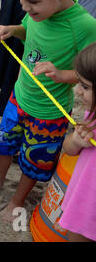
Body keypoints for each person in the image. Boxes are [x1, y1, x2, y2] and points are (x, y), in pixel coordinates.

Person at [0, 0, 96, 223]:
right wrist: (12, 30)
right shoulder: (38, 9)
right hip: (19, 97)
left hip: (49, 113)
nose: (25, 7)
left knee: (35, 161)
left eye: (32, 2)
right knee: (5, 144)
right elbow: (29, 32)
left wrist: (62, 74)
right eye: (21, 0)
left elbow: (90, 72)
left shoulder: (85, 26)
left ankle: (17, 200)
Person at [59, 43, 96, 242]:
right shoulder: (92, 115)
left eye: (85, 86)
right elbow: (69, 150)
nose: (77, 91)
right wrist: (76, 141)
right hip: (85, 204)